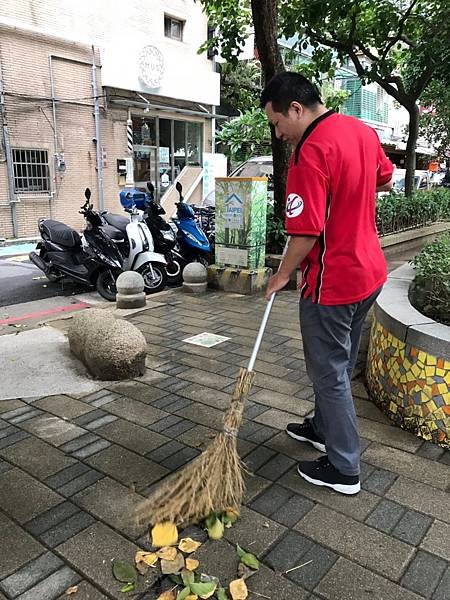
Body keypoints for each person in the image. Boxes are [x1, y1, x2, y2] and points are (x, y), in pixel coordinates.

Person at [261, 72, 394, 495]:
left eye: (278, 123)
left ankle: (344, 467)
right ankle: (322, 427)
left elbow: (306, 231)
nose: (278, 133)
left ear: (296, 109)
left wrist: (282, 275)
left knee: (330, 373)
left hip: (332, 284)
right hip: (369, 273)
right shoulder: (362, 131)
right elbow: (384, 177)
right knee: (340, 360)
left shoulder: (309, 154)